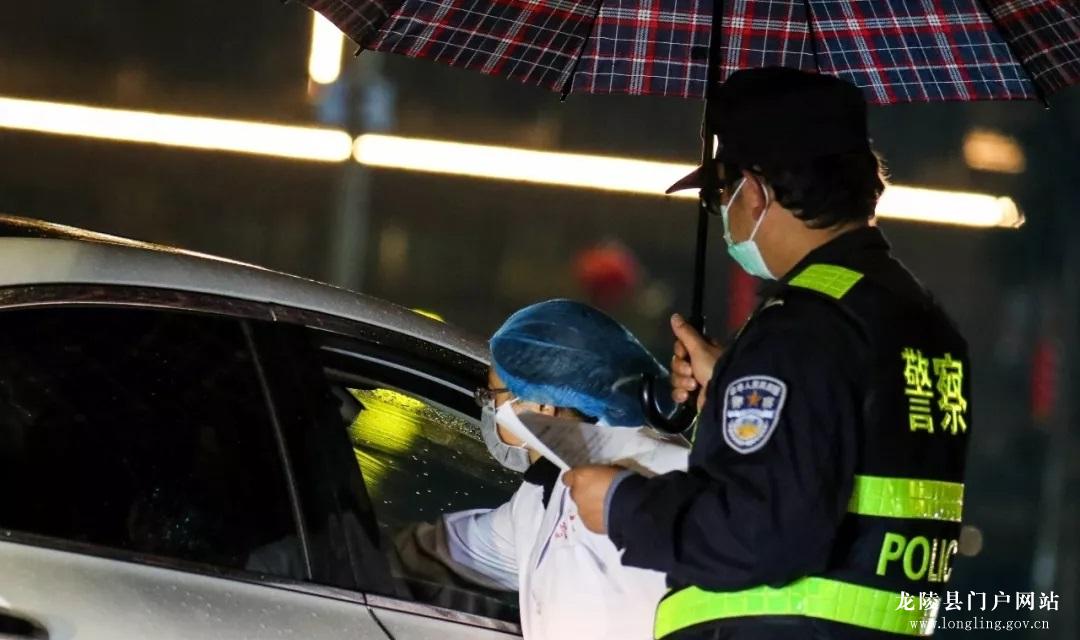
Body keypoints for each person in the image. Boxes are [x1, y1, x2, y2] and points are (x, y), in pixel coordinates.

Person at [565, 67, 973, 639]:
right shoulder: (917, 317)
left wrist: (622, 505)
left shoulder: (802, 327)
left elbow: (762, 532)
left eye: (720, 196)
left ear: (755, 193)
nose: (723, 214)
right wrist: (731, 385)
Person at [394, 299, 673, 639]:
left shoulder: (655, 475)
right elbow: (451, 549)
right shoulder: (541, 496)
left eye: (492, 395)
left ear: (540, 405)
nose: (488, 407)